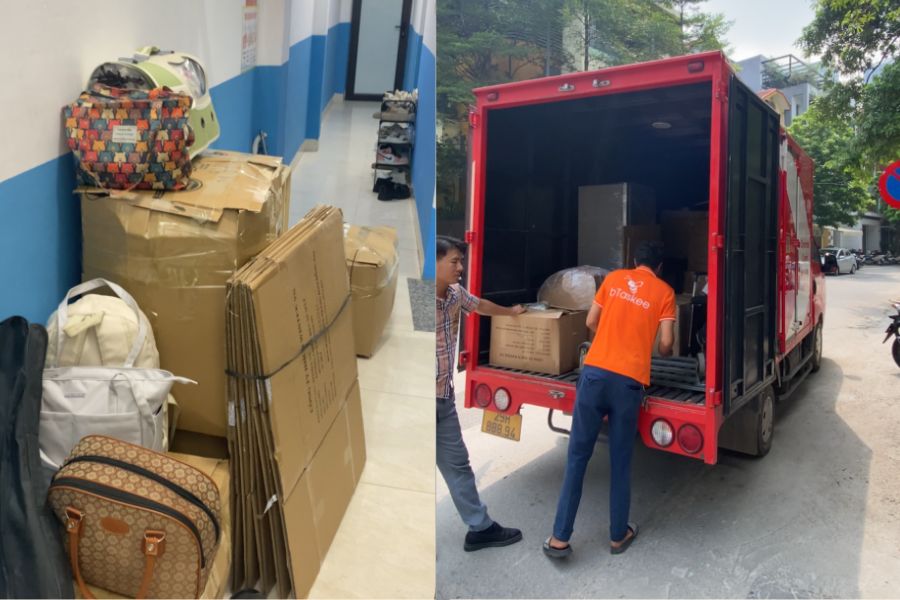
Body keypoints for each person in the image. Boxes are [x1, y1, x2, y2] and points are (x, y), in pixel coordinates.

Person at [543, 241, 675, 559]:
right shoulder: (665, 293)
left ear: (634, 260)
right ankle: (618, 536)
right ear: (659, 268)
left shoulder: (614, 279)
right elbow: (666, 344)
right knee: (620, 460)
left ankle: (559, 538)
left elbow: (591, 321)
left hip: (594, 375)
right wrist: (655, 345)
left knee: (577, 456)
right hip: (628, 383)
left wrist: (614, 332)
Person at [436, 235, 526, 551]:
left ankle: (480, 528)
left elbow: (480, 305)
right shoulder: (421, 296)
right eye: (454, 261)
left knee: (458, 465)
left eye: (461, 261)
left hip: (442, 399)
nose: (461, 267)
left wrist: (510, 312)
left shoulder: (455, 294)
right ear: (435, 263)